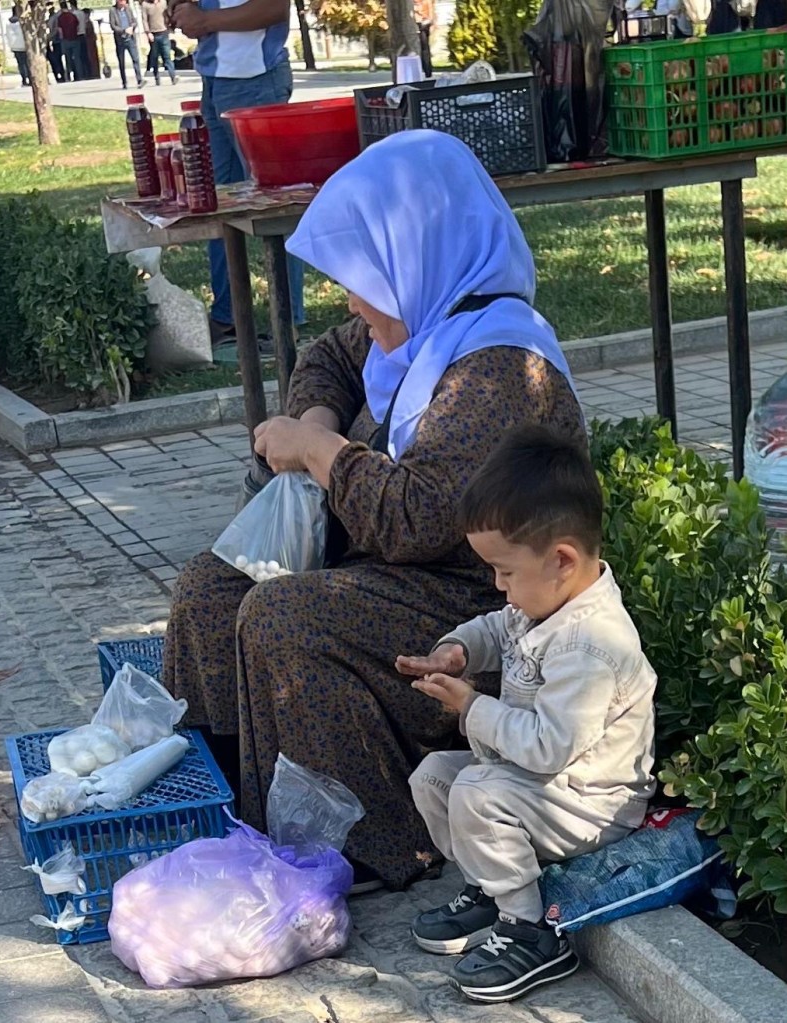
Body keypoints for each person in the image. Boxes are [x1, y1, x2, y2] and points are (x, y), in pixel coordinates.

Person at [162, 130, 586, 892]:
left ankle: (374, 842)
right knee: (209, 589)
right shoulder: (420, 312)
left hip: (476, 602)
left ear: (417, 254)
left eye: (365, 281)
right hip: (389, 571)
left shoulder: (496, 369)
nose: (354, 302)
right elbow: (329, 355)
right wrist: (317, 420)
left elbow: (415, 518)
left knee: (282, 616)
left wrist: (317, 453)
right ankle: (225, 810)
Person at [404, 427, 656, 1003]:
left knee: (477, 793)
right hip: (542, 787)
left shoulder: (592, 644)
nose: (499, 586)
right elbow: (497, 629)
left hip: (593, 802)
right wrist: (458, 651)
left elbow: (547, 748)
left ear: (561, 560)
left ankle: (531, 929)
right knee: (435, 777)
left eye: (505, 571)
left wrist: (471, 705)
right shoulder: (543, 603)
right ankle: (491, 888)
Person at [170, 0, 304, 351]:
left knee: (273, 204)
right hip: (214, 80)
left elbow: (275, 8)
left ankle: (286, 323)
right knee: (216, 202)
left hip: (256, 81)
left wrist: (204, 20)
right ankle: (227, 317)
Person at [109, 0, 144, 89]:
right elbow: (113, 26)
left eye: (124, 1)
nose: (122, 3)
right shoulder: (113, 11)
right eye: (120, 1)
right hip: (120, 40)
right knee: (121, 61)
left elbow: (134, 21)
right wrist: (123, 30)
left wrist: (132, 27)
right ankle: (124, 82)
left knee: (135, 59)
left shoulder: (128, 9)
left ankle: (139, 80)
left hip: (130, 38)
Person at [142, 0, 177, 84]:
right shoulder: (145, 4)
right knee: (155, 57)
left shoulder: (163, 2)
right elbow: (144, 20)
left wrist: (171, 27)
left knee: (167, 56)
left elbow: (168, 15)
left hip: (164, 32)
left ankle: (173, 76)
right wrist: (148, 32)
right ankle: (157, 78)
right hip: (153, 34)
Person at [6, 6, 30, 86]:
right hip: (24, 45)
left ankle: (24, 79)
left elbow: (8, 35)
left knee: (20, 64)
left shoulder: (8, 23)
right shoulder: (22, 22)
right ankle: (29, 78)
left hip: (15, 46)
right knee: (27, 63)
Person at [46, 3, 65, 81]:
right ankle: (58, 75)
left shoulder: (55, 17)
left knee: (57, 59)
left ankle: (61, 75)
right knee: (54, 60)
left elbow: (55, 29)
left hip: (56, 41)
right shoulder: (49, 18)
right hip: (52, 42)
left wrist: (49, 37)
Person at [83, 9, 101, 78]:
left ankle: (94, 73)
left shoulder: (88, 23)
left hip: (90, 43)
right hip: (89, 42)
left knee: (92, 58)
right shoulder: (87, 22)